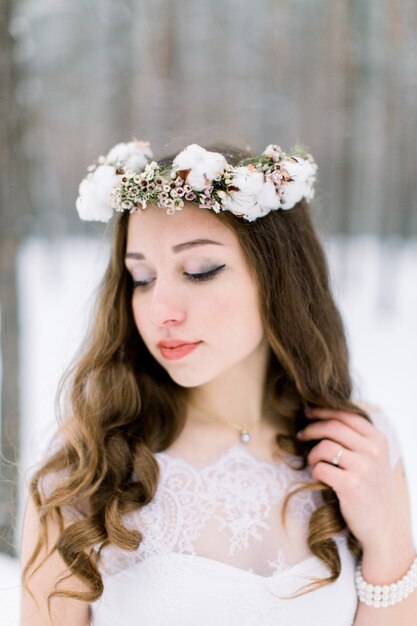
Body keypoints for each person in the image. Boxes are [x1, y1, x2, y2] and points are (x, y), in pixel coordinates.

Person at [19, 140, 417, 625]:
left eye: (199, 271)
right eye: (141, 278)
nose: (160, 310)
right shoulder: (86, 470)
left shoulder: (362, 450)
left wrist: (391, 545)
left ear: (279, 276)